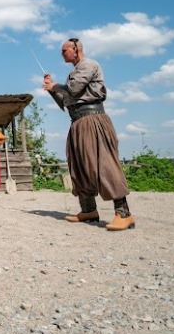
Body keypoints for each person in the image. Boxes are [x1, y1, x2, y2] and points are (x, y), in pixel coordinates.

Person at [42, 38, 135, 231]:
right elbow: (65, 102)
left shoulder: (89, 65)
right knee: (80, 166)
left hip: (93, 120)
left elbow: (74, 90)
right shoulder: (73, 73)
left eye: (64, 50)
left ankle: (124, 214)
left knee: (104, 164)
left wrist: (55, 86)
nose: (62, 54)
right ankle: (88, 210)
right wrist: (52, 89)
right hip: (77, 121)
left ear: (75, 49)